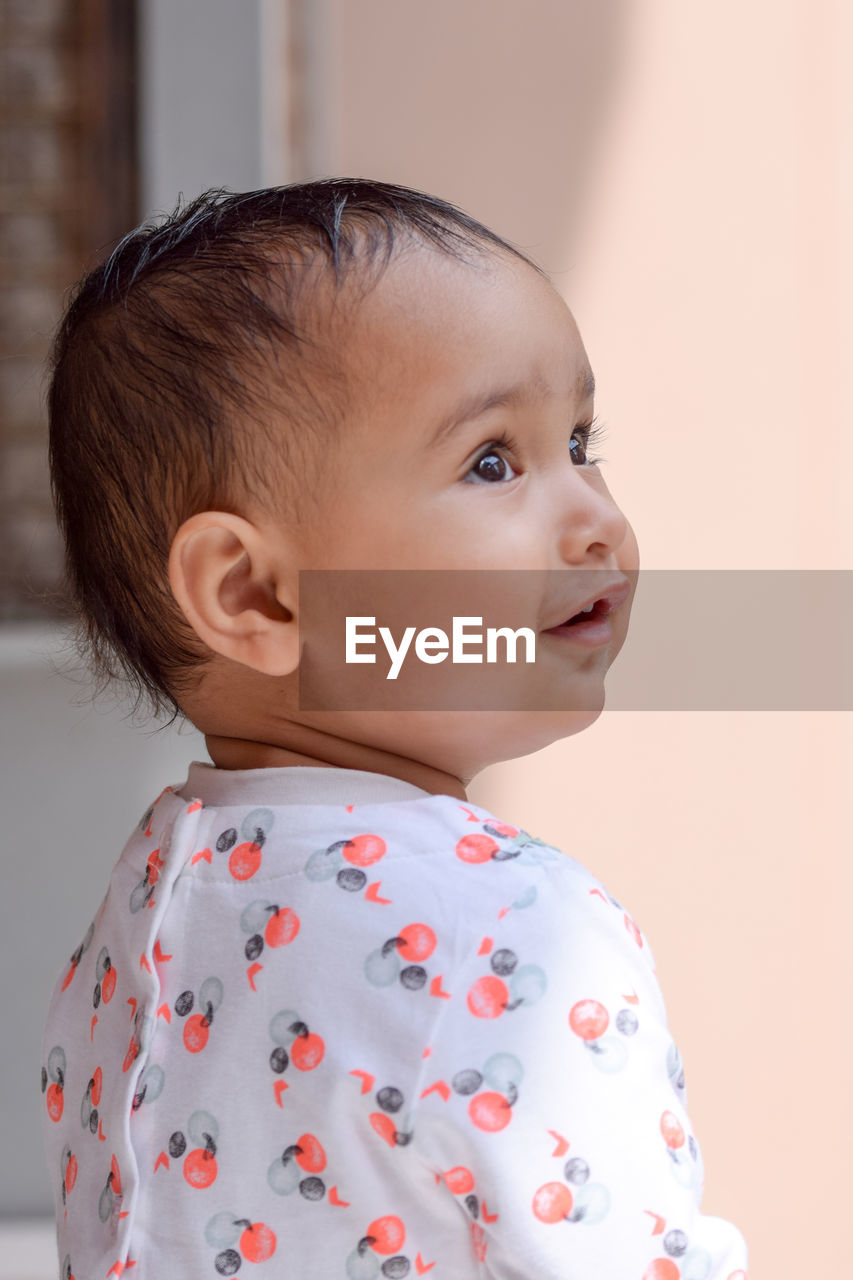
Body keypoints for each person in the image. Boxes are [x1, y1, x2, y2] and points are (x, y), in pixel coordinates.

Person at [40, 179, 748, 1279]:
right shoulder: (507, 923)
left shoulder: (139, 917)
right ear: (259, 597)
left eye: (579, 439)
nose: (599, 519)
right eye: (492, 462)